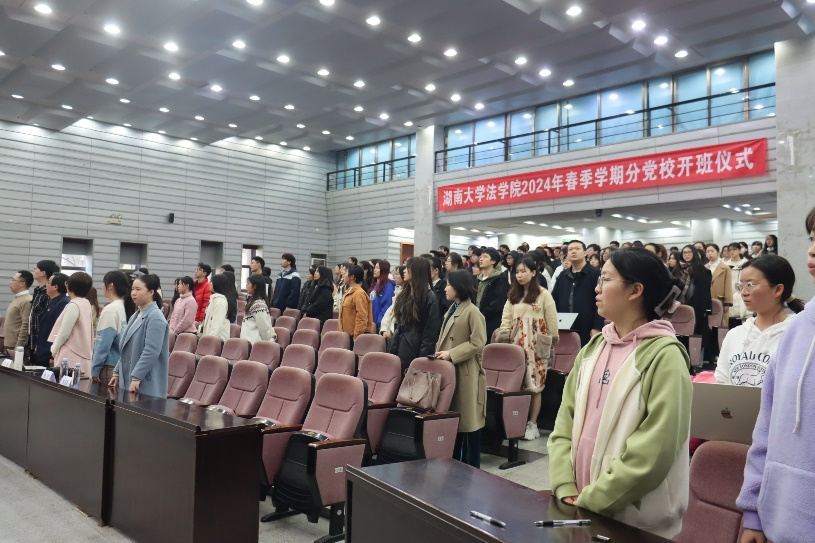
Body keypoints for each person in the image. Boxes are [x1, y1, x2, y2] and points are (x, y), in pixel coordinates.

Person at [549, 248, 691, 539]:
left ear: (635, 291)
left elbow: (654, 449)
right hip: (579, 503)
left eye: (606, 279)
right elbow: (564, 423)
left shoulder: (664, 356)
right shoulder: (593, 349)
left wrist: (596, 498)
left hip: (634, 520)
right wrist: (564, 484)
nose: (597, 288)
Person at [736, 208, 815, 543]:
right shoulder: (799, 330)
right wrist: (754, 513)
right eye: (812, 238)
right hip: (782, 521)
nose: (811, 250)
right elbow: (767, 426)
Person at [715, 256, 804, 387]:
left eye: (750, 285)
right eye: (741, 286)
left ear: (778, 289)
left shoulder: (798, 336)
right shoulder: (734, 335)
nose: (743, 292)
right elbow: (722, 382)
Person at [497, 258, 559, 441]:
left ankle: (533, 424)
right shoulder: (513, 295)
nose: (520, 275)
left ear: (533, 272)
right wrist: (504, 334)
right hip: (515, 345)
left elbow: (552, 320)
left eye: (523, 271)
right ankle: (516, 422)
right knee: (516, 385)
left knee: (535, 386)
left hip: (536, 346)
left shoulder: (543, 294)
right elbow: (506, 318)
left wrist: (550, 340)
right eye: (517, 272)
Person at [435, 270, 487, 467]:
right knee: (455, 423)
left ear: (458, 287)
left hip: (465, 372)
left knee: (469, 423)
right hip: (451, 370)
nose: (445, 288)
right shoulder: (453, 308)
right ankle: (455, 466)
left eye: (449, 285)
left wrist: (452, 353)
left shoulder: (472, 311)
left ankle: (473, 468)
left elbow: (478, 342)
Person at [109, 274, 170, 395]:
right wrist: (117, 372)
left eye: (138, 289)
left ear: (151, 292)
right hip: (130, 377)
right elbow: (126, 350)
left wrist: (137, 376)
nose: (133, 293)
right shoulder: (137, 314)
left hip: (145, 381)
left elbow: (151, 351)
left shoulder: (155, 317)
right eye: (132, 289)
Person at [389, 257, 441, 372]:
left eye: (407, 268)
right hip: (399, 342)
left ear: (416, 271)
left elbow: (430, 332)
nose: (404, 271)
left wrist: (422, 358)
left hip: (414, 347)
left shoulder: (428, 297)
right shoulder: (404, 294)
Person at [551, 240, 603, 346]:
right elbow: (554, 299)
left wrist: (596, 326)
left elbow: (601, 301)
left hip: (587, 325)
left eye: (577, 249)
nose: (573, 251)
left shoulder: (595, 274)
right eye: (570, 250)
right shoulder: (563, 275)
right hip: (565, 326)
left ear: (585, 253)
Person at [92, 271, 134, 384]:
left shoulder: (110, 309)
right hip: (120, 365)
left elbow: (103, 344)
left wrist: (94, 369)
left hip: (108, 367)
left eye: (103, 283)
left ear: (110, 285)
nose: (102, 286)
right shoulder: (123, 305)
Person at [49, 272, 95, 376]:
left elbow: (64, 332)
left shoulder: (74, 305)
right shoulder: (86, 303)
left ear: (68, 286)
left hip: (70, 354)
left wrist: (54, 348)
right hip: (83, 354)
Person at [34, 273, 70, 366]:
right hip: (43, 350)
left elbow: (59, 330)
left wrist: (53, 355)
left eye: (48, 283)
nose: (46, 285)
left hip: (50, 352)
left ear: (55, 287)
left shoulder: (63, 303)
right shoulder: (53, 301)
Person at [476, 248, 510, 343]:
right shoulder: (477, 279)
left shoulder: (500, 279)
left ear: (493, 261)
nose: (481, 259)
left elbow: (497, 303)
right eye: (480, 257)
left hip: (490, 323)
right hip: (476, 322)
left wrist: (481, 314)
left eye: (485, 257)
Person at [682, 245, 713, 346]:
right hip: (681, 305)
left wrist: (706, 309)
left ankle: (697, 355)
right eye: (684, 252)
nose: (686, 255)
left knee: (696, 334)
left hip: (697, 306)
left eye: (689, 252)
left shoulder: (703, 271)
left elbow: (705, 292)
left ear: (694, 254)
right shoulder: (679, 270)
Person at [29, 260, 60, 357]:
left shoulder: (48, 293)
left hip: (42, 343)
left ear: (43, 273)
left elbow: (47, 321)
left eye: (36, 268)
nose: (34, 270)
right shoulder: (37, 291)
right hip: (32, 340)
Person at [338, 264, 374, 341]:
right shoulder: (348, 291)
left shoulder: (359, 294)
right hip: (345, 336)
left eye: (346, 273)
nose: (343, 275)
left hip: (353, 337)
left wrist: (356, 337)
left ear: (352, 277)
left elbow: (362, 318)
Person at [198, 273, 235, 343]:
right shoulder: (213, 299)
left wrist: (208, 341)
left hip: (217, 341)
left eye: (211, 282)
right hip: (209, 338)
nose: (209, 284)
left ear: (217, 284)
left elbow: (216, 326)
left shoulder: (220, 302)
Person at [241, 274, 276, 344]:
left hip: (255, 343)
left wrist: (266, 342)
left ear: (255, 286)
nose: (246, 286)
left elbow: (263, 327)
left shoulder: (259, 305)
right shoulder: (252, 301)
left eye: (248, 284)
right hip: (247, 341)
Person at [5, 270, 33, 357]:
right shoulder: (18, 298)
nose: (11, 283)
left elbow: (25, 325)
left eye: (13, 280)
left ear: (22, 284)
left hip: (15, 346)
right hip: (9, 344)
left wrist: (18, 347)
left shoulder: (26, 300)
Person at [706, 243, 733, 328]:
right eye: (707, 251)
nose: (710, 253)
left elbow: (728, 286)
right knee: (707, 324)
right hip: (706, 300)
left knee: (721, 324)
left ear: (718, 252)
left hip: (720, 299)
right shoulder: (704, 267)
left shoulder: (725, 268)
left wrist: (727, 303)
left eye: (712, 251)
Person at [727, 242, 750, 323]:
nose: (732, 252)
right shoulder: (725, 265)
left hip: (744, 293)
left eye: (734, 249)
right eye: (730, 250)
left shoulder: (747, 263)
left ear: (740, 250)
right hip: (730, 294)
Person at [380, 266, 404, 341]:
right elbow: (389, 312)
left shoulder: (407, 295)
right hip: (390, 333)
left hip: (398, 334)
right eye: (393, 274)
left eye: (397, 274)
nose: (394, 276)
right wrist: (384, 329)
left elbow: (398, 317)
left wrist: (391, 331)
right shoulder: (397, 292)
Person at [370, 260, 395, 330]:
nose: (375, 270)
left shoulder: (388, 286)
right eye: (375, 267)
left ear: (383, 270)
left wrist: (379, 322)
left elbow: (387, 306)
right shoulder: (374, 285)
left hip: (379, 324)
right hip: (371, 322)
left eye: (377, 268)